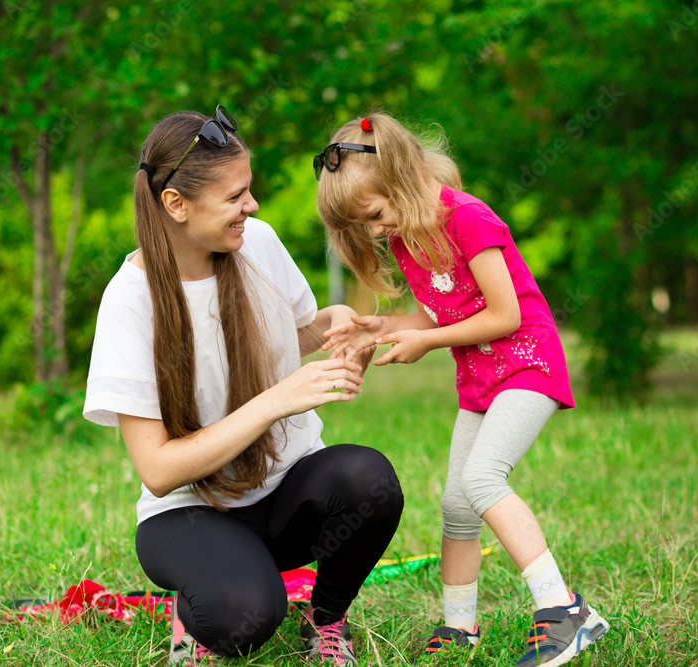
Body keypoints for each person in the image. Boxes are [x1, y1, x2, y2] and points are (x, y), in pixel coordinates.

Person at [82, 106, 404, 667]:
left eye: (248, 191)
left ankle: (326, 622)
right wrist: (277, 399)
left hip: (281, 495)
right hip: (188, 513)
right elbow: (157, 470)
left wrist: (339, 328)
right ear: (176, 205)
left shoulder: (256, 242)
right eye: (234, 197)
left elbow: (285, 335)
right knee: (244, 616)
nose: (250, 206)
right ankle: (202, 600)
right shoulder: (130, 301)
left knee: (369, 481)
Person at [314, 113, 609, 667]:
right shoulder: (409, 236)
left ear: (400, 175)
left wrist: (427, 344)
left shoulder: (469, 218)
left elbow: (504, 314)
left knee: (481, 478)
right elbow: (440, 314)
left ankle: (564, 609)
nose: (377, 232)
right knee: (456, 505)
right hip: (481, 379)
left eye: (375, 215)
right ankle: (459, 626)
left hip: (527, 365)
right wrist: (384, 327)